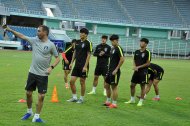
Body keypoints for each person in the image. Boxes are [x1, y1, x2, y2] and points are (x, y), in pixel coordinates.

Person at [3, 25, 60, 122]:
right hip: (32, 73)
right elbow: (22, 36)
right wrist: (9, 30)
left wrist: (51, 67)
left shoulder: (51, 45)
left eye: (39, 31)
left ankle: (37, 117)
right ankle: (29, 112)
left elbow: (58, 58)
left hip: (43, 75)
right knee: (28, 93)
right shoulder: (34, 40)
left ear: (45, 32)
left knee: (41, 96)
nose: (37, 32)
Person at [67, 28, 92, 104]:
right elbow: (75, 52)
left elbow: (89, 55)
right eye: (80, 33)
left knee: (82, 82)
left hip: (83, 66)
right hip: (77, 65)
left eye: (82, 33)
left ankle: (81, 98)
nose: (80, 34)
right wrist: (71, 62)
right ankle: (74, 97)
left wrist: (85, 66)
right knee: (71, 82)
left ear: (86, 35)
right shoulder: (77, 42)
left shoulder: (88, 43)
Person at [125, 38, 151, 107]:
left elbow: (148, 63)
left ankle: (141, 101)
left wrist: (138, 67)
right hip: (136, 71)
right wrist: (134, 66)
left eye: (142, 42)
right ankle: (132, 99)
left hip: (143, 72)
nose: (141, 43)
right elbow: (134, 60)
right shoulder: (136, 51)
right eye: (140, 42)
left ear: (145, 44)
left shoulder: (147, 52)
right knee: (132, 85)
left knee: (142, 87)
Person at [103, 34, 124, 108]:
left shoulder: (119, 48)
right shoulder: (112, 48)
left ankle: (114, 104)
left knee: (114, 87)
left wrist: (116, 69)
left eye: (112, 41)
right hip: (110, 70)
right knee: (106, 85)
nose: (111, 42)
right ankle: (108, 101)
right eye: (111, 41)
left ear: (116, 40)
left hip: (115, 71)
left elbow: (122, 59)